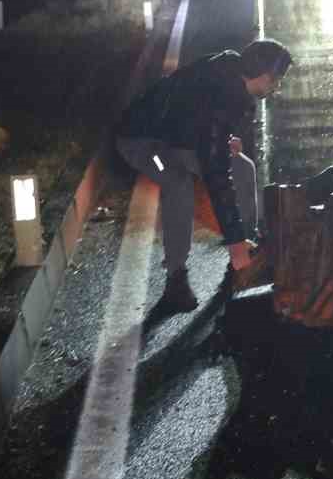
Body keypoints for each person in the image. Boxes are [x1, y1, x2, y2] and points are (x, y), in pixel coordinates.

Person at [115, 39, 291, 310]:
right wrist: (232, 242)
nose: (277, 87)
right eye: (277, 80)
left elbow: (202, 122)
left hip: (179, 139)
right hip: (143, 141)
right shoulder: (221, 96)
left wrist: (223, 138)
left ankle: (245, 253)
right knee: (177, 182)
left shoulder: (233, 78)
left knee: (243, 168)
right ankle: (176, 278)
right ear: (265, 76)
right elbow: (216, 175)